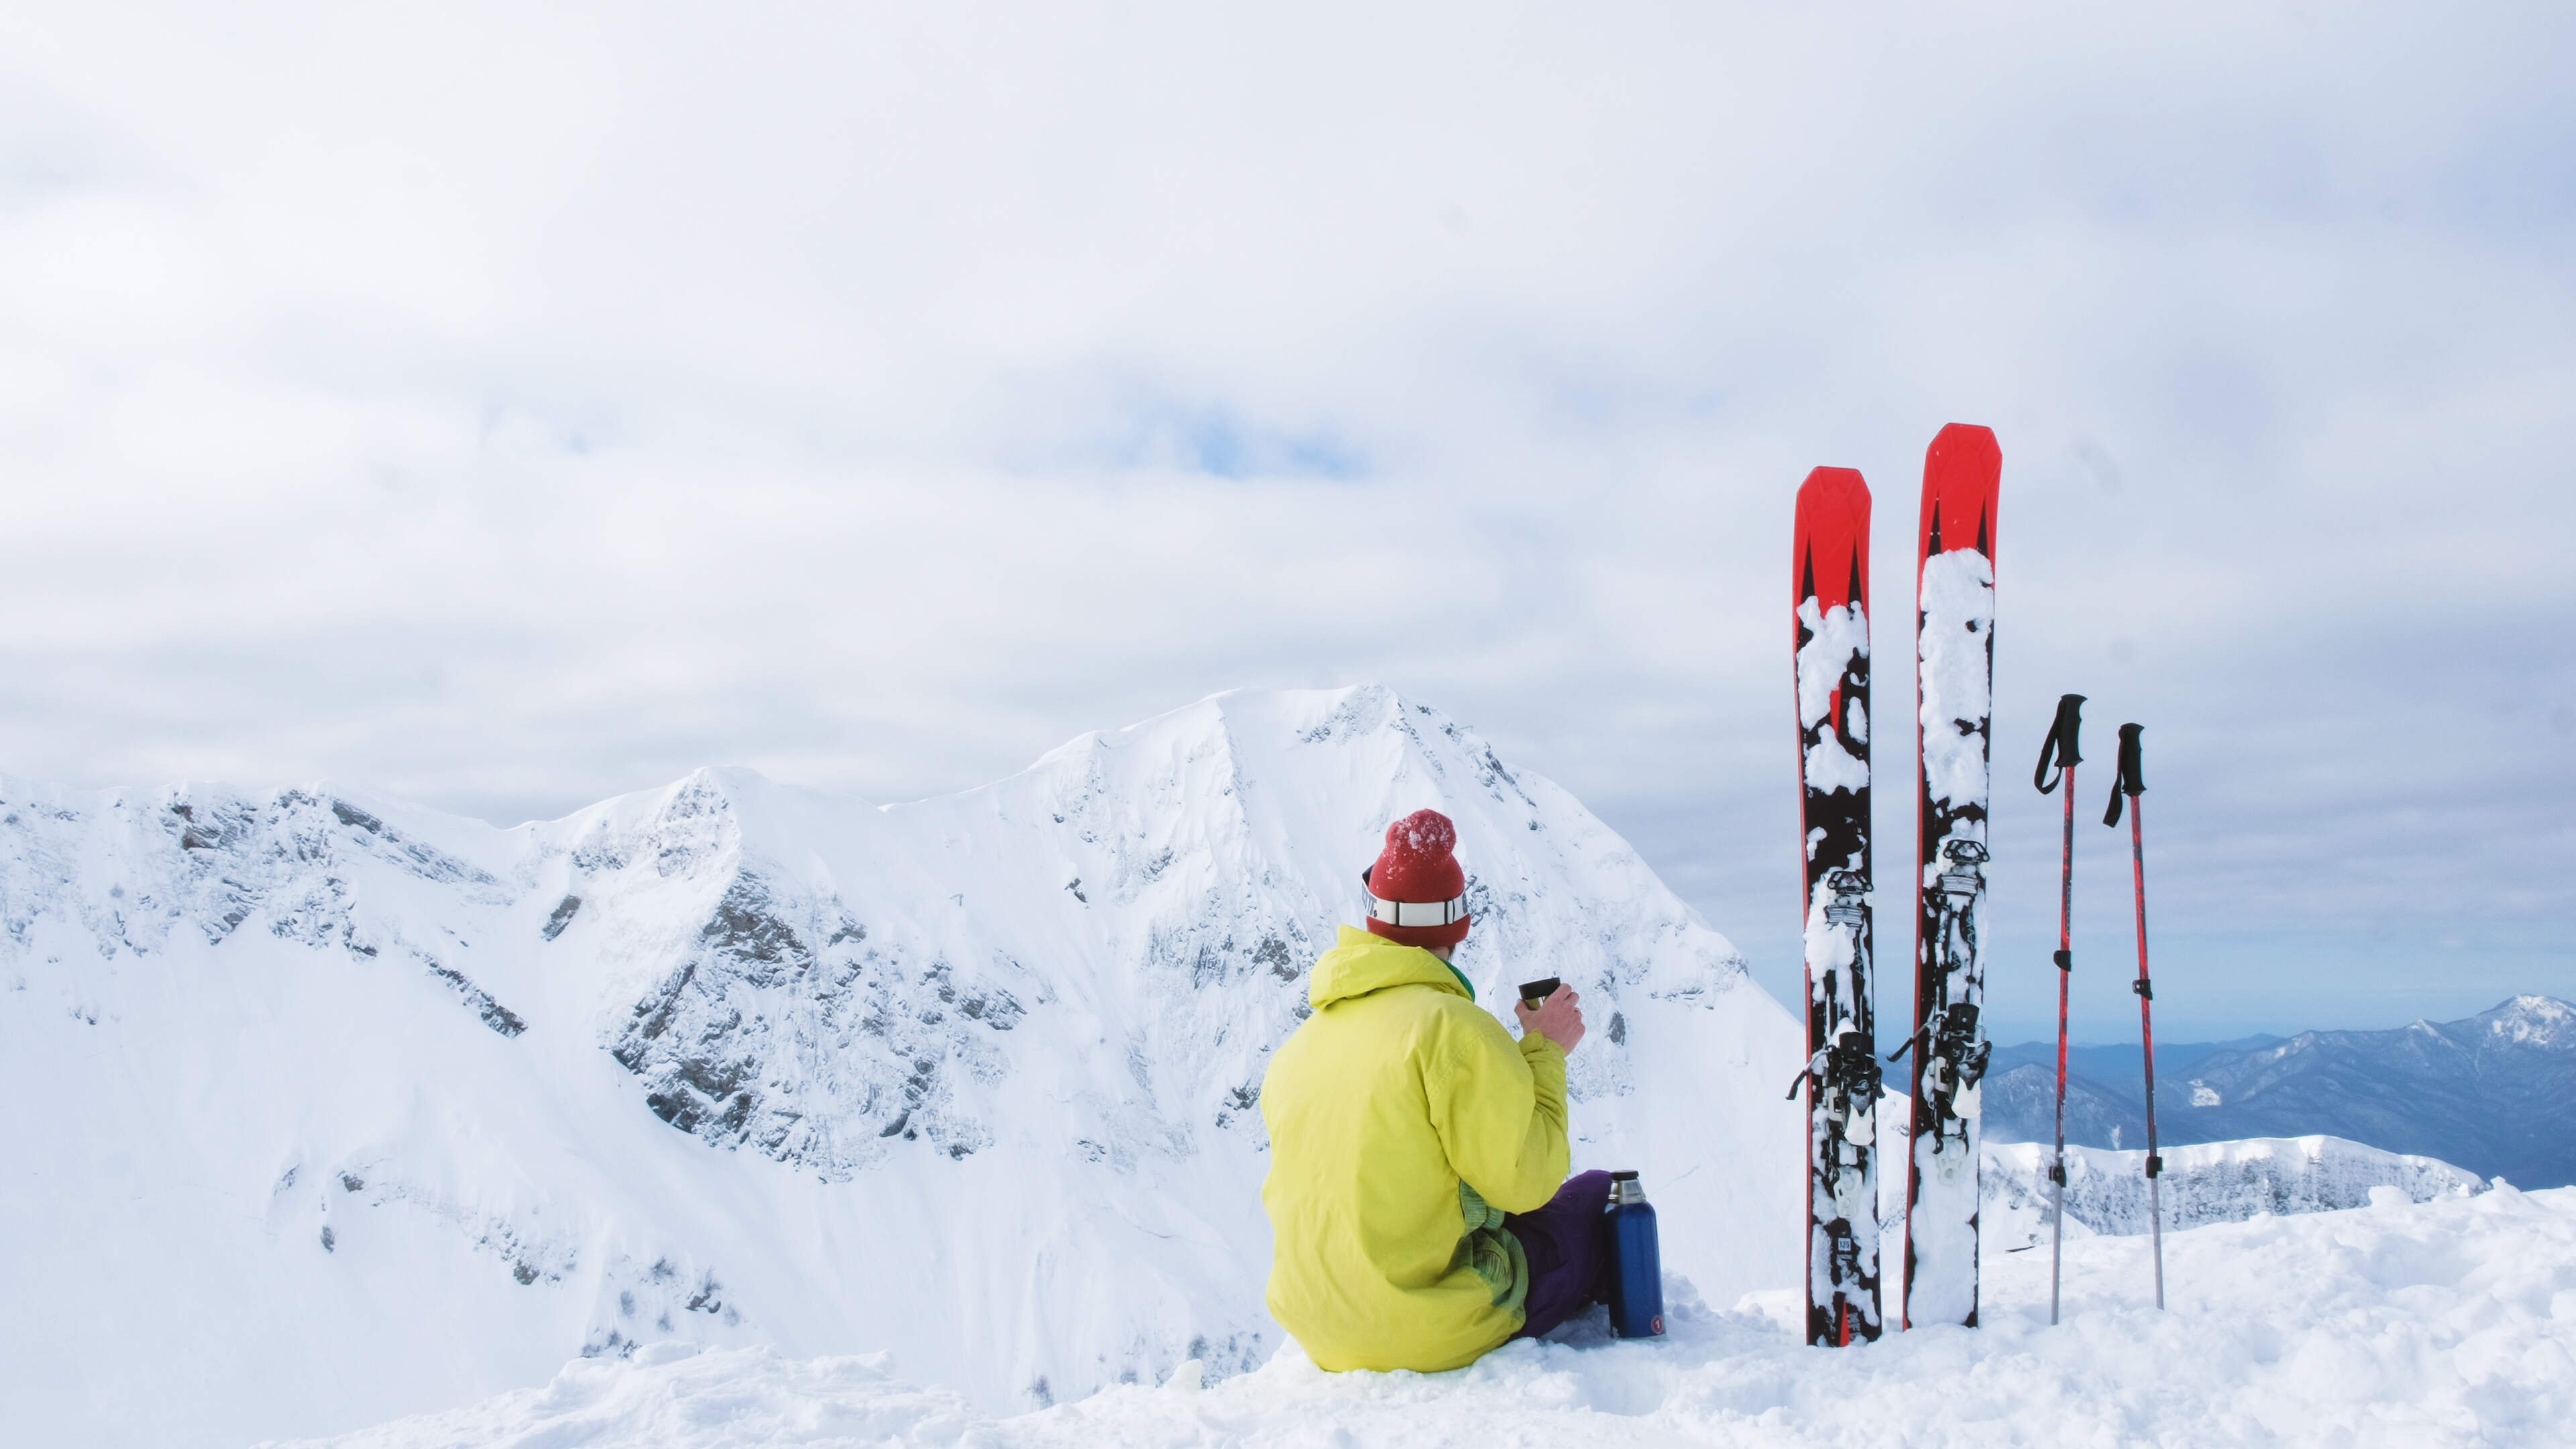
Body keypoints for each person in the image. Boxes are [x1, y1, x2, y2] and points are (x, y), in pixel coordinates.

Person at [1259, 808, 1611, 1373]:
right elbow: (1529, 1183)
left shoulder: (1298, 1048)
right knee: (1597, 1198)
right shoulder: (1451, 1028)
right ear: (1457, 926)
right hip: (1420, 1330)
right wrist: (1544, 1052)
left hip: (1316, 1331)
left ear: (1373, 919)